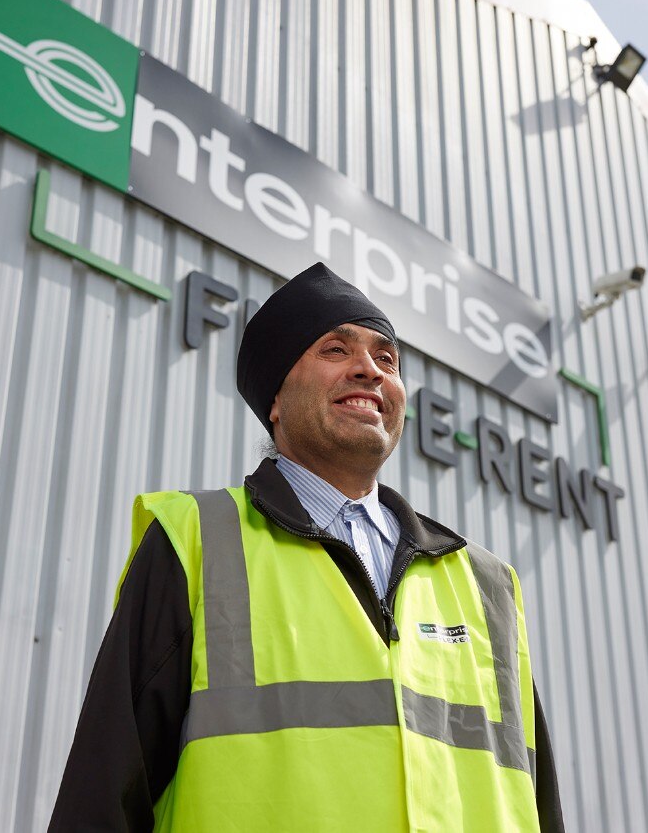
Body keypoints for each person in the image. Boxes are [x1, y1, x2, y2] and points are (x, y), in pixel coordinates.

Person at [49, 263, 564, 831]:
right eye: (335, 350)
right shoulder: (196, 541)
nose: (369, 370)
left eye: (386, 358)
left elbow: (534, 796)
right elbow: (104, 786)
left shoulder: (486, 584)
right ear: (275, 398)